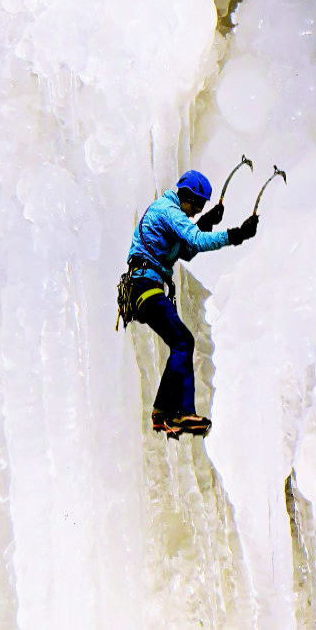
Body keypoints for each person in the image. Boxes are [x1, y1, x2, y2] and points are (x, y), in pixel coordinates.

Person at [123, 170, 259, 438]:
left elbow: (186, 251)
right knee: (183, 341)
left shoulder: (173, 214)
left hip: (145, 286)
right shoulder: (167, 209)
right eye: (196, 205)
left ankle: (164, 412)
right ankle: (178, 411)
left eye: (202, 208)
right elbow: (194, 240)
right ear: (186, 195)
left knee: (182, 341)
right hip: (144, 286)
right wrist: (235, 235)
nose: (196, 211)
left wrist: (206, 223)